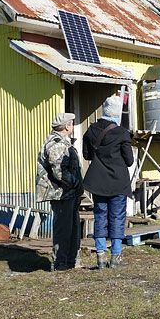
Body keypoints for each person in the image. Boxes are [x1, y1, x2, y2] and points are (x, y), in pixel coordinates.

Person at [82, 95, 134, 269]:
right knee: (117, 217)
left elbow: (87, 155)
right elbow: (129, 161)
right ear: (117, 113)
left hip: (97, 182)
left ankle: (101, 257)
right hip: (118, 182)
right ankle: (115, 258)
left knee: (100, 216)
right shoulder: (122, 133)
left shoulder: (91, 130)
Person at [36, 112, 84, 271]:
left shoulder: (63, 142)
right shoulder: (57, 143)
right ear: (66, 126)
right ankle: (60, 263)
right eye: (71, 123)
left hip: (67, 192)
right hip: (61, 193)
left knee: (72, 227)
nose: (72, 126)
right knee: (63, 229)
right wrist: (76, 183)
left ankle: (70, 261)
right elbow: (59, 171)